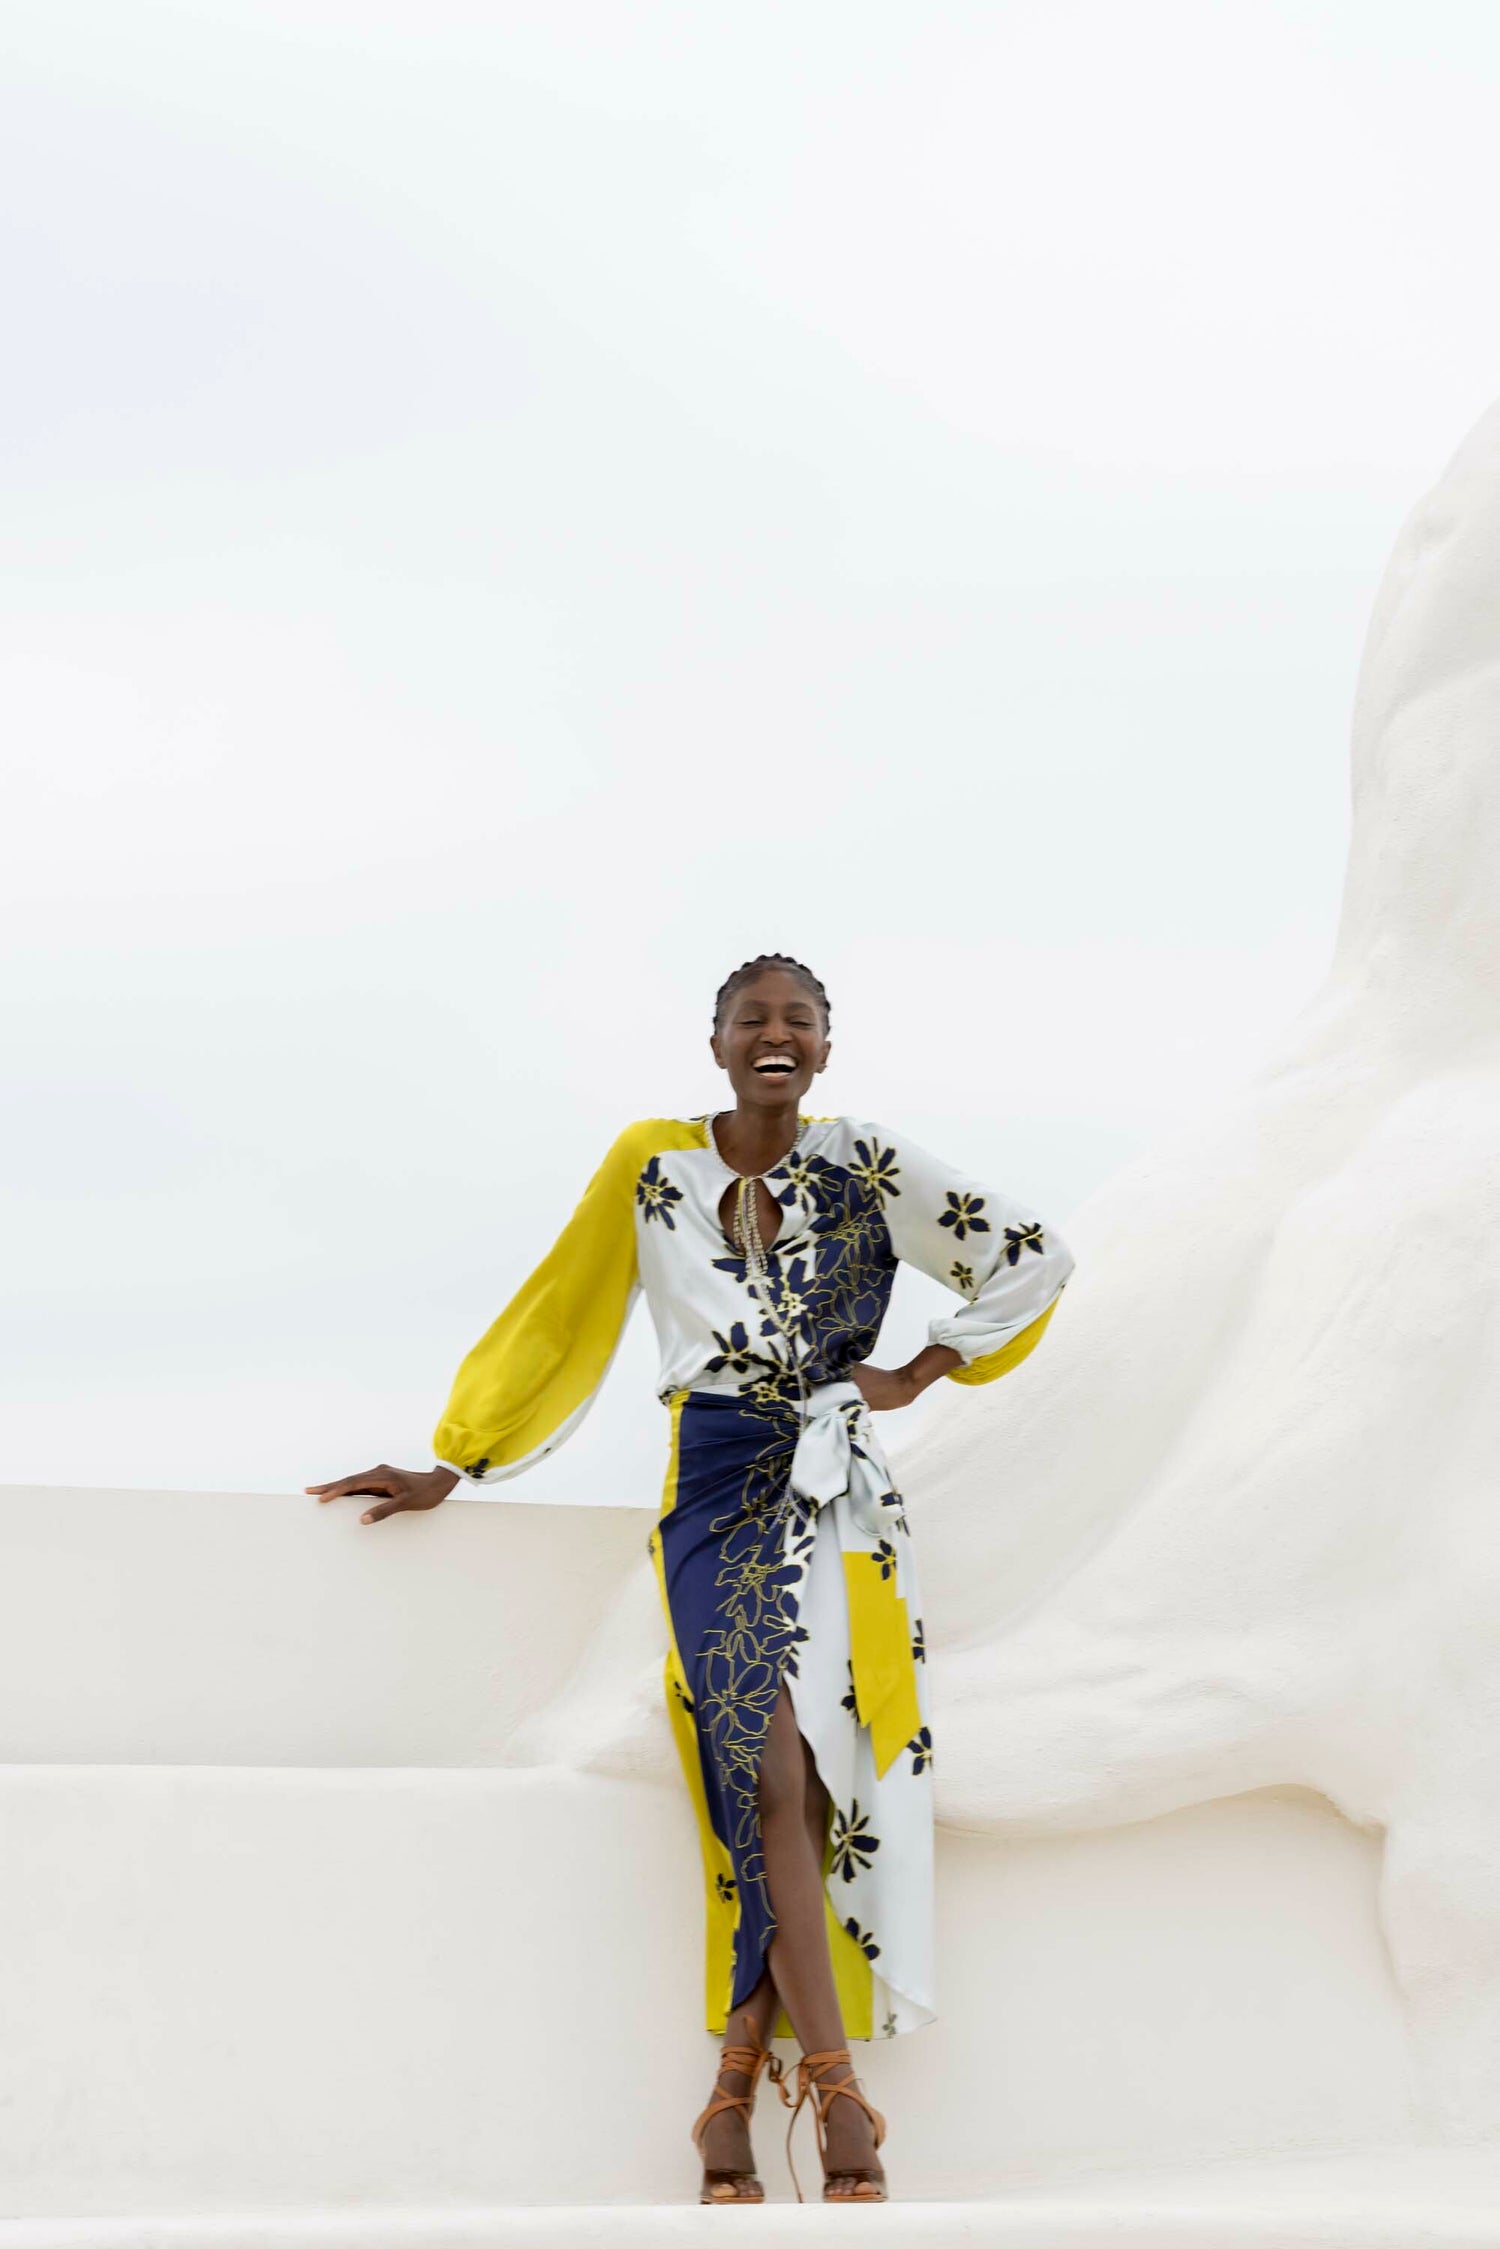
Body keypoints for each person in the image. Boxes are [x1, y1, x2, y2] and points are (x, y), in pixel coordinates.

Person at [308, 954, 1075, 2204]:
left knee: (823, 1778)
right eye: (752, 1019)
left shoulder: (866, 1158)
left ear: (827, 1046)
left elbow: (1032, 1256)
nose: (777, 1035)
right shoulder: (651, 1165)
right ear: (715, 1041)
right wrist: (461, 1457)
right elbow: (562, 1311)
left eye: (801, 1021)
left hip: (839, 1491)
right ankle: (832, 2088)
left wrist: (915, 1371)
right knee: (760, 1764)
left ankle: (731, 2093)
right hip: (713, 1482)